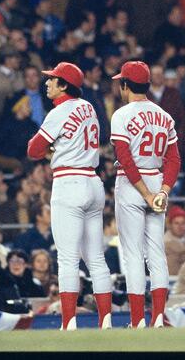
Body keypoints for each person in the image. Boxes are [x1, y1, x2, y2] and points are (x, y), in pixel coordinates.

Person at [26, 62, 112, 330]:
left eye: (53, 80)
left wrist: (52, 149)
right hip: (92, 181)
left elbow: (33, 150)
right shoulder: (89, 108)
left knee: (67, 258)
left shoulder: (59, 111)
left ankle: (68, 322)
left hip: (69, 182)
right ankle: (106, 320)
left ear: (65, 85)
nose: (47, 83)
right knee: (96, 258)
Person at [110, 61, 180, 328]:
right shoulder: (164, 115)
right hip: (156, 177)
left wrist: (146, 193)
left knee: (132, 255)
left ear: (126, 85)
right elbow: (173, 159)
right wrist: (162, 191)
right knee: (156, 253)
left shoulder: (122, 114)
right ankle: (159, 319)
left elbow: (125, 158)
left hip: (132, 184)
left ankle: (138, 320)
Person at [164, 205, 185, 276]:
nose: (180, 226)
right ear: (170, 224)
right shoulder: (163, 243)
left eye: (183, 223)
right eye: (176, 223)